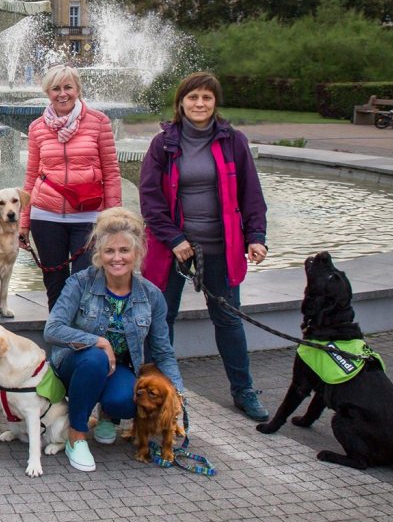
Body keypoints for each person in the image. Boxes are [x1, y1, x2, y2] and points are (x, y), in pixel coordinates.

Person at [139, 71, 269, 421]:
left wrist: (256, 237)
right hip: (173, 249)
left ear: (214, 103)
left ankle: (243, 390)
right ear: (181, 102)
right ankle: (156, 390)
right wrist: (174, 238)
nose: (199, 104)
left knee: (228, 320)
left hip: (220, 246)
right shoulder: (164, 144)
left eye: (206, 98)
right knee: (161, 319)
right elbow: (150, 199)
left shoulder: (233, 141)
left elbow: (251, 194)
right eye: (193, 97)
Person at [43, 207, 187, 472]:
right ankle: (76, 436)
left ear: (137, 254)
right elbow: (52, 330)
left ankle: (108, 414)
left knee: (126, 399)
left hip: (118, 368)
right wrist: (99, 342)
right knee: (96, 358)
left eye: (124, 251)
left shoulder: (151, 295)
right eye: (109, 251)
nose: (117, 258)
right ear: (98, 254)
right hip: (74, 363)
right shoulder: (80, 283)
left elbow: (163, 351)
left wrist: (178, 395)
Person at [20, 65, 123, 311]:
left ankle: (82, 343)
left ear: (78, 90)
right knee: (54, 284)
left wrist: (113, 218)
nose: (62, 93)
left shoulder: (98, 122)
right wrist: (23, 222)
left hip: (88, 216)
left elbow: (111, 173)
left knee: (84, 281)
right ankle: (60, 342)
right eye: (56, 88)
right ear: (48, 92)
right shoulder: (37, 128)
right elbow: (31, 175)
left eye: (68, 87)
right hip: (45, 216)